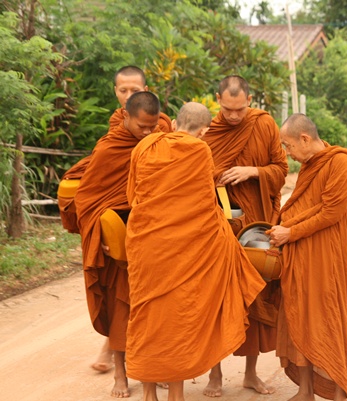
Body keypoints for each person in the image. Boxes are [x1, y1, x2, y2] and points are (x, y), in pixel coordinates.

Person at [125, 102, 266, 401]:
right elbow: (204, 206)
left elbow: (132, 194)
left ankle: (149, 394)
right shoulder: (200, 151)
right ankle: (176, 395)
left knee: (147, 317)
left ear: (174, 124)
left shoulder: (147, 145)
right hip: (181, 251)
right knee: (176, 321)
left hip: (146, 246)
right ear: (203, 132)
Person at [58, 66, 173, 378]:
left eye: (135, 89)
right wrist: (99, 233)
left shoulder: (163, 131)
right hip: (119, 232)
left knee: (157, 301)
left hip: (153, 229)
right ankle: (120, 364)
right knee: (120, 298)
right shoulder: (112, 141)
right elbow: (90, 197)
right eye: (123, 90)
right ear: (117, 95)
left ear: (147, 88)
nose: (129, 95)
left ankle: (157, 368)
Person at [202, 75, 288, 397]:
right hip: (218, 223)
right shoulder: (209, 132)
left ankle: (251, 374)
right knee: (217, 297)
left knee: (255, 297)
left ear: (250, 100)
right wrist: (218, 177)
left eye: (240, 109)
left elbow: (280, 169)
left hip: (254, 223)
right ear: (217, 100)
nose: (234, 116)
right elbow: (195, 174)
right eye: (228, 109)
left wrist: (253, 172)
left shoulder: (264, 125)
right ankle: (214, 375)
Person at [74, 91, 162, 398]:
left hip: (151, 239)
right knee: (120, 310)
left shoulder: (159, 142)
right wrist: (102, 239)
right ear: (125, 116)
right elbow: (87, 201)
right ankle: (121, 375)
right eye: (142, 127)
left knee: (155, 309)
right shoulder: (109, 149)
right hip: (117, 244)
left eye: (153, 127)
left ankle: (154, 369)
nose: (148, 133)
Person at [269, 113, 347, 401]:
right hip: (302, 253)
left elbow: (330, 212)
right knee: (299, 317)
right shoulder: (311, 164)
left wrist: (289, 232)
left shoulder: (340, 162)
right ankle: (305, 390)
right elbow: (306, 204)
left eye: (289, 146)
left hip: (325, 256)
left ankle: (338, 388)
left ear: (305, 139)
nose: (288, 154)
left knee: (325, 317)